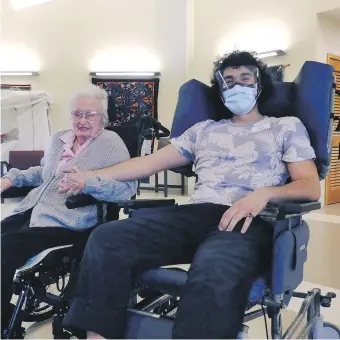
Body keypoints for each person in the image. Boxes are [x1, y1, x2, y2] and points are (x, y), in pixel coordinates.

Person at [61, 51, 320, 339]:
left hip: (247, 219)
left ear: (259, 85)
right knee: (107, 237)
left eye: (245, 78)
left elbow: (309, 185)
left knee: (213, 269)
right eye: (229, 81)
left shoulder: (284, 126)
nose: (237, 86)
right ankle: (99, 335)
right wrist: (88, 177)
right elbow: (145, 164)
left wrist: (266, 194)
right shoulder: (203, 131)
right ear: (220, 91)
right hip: (198, 212)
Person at [0, 85, 137, 334]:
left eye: (90, 115)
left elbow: (127, 187)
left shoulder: (110, 143)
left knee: (4, 250)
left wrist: (88, 182)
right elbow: (44, 173)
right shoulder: (59, 139)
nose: (82, 121)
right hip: (31, 212)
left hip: (68, 220)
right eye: (77, 114)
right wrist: (11, 178)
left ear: (103, 117)